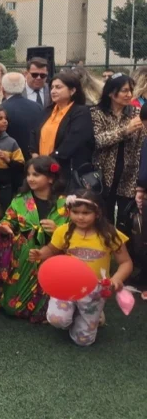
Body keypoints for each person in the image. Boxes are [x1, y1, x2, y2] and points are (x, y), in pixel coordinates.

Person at [30, 191, 133, 346]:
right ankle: (74, 312)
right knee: (57, 320)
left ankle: (94, 315)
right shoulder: (64, 231)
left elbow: (126, 262)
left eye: (86, 213)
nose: (80, 217)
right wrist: (40, 254)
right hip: (68, 284)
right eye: (75, 212)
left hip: (95, 289)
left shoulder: (110, 234)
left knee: (83, 341)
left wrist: (116, 279)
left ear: (97, 213)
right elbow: (51, 250)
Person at [0, 156, 67, 322]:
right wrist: (6, 227)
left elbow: (77, 234)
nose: (30, 178)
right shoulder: (20, 200)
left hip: (54, 256)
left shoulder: (65, 204)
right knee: (11, 308)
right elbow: (8, 219)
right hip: (24, 256)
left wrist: (57, 230)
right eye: (28, 174)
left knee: (54, 311)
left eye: (36, 175)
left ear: (51, 178)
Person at [91, 74, 144, 231]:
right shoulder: (97, 113)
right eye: (124, 91)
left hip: (129, 174)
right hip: (103, 174)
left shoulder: (136, 112)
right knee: (102, 218)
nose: (129, 94)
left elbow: (142, 144)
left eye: (131, 90)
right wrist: (125, 130)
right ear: (110, 93)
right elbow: (99, 140)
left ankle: (125, 251)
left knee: (125, 220)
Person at [29, 71, 95, 185]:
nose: (53, 91)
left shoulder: (81, 112)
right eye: (52, 87)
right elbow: (34, 133)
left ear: (72, 90)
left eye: (58, 87)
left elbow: (73, 141)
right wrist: (35, 155)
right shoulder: (47, 111)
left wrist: (47, 162)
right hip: (42, 170)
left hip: (65, 172)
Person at [1, 72, 43, 161]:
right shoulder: (37, 107)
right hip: (33, 158)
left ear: (2, 89)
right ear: (23, 87)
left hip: (9, 159)